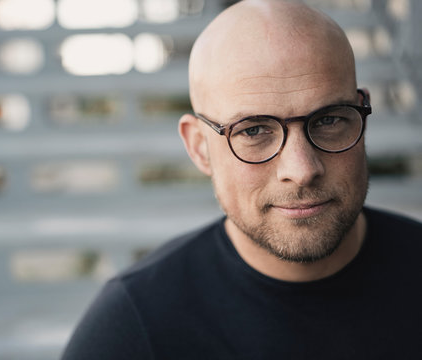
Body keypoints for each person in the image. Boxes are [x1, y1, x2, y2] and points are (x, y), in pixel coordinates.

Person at [62, 0, 422, 358]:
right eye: (253, 130)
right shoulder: (135, 328)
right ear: (199, 147)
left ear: (363, 117)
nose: (301, 169)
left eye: (329, 120)